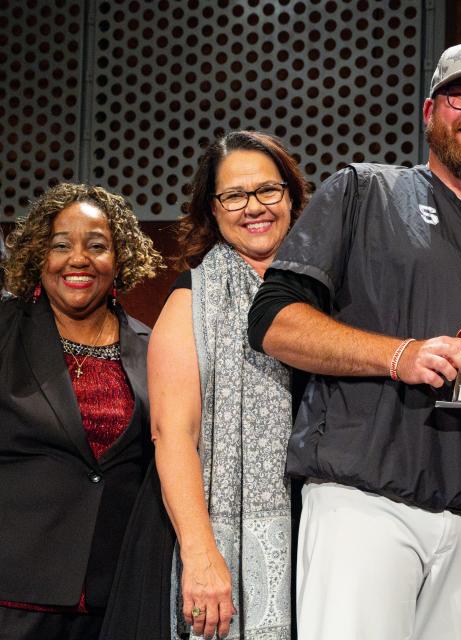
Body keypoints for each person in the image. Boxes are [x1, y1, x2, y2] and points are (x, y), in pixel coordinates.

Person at [247, 39, 461, 639]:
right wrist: (400, 355)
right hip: (366, 498)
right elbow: (275, 322)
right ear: (430, 111)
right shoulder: (362, 192)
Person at [102, 131, 311, 640]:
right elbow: (172, 436)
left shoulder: (328, 294)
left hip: (318, 531)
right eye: (234, 196)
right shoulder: (189, 301)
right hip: (207, 533)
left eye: (267, 190)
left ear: (290, 197)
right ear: (212, 211)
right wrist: (201, 555)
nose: (253, 207)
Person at [0, 183, 162, 639]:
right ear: (38, 255)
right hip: (13, 593)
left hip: (115, 597)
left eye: (97, 245)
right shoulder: (5, 331)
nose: (78, 259)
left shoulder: (154, 347)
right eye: (60, 245)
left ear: (120, 258)